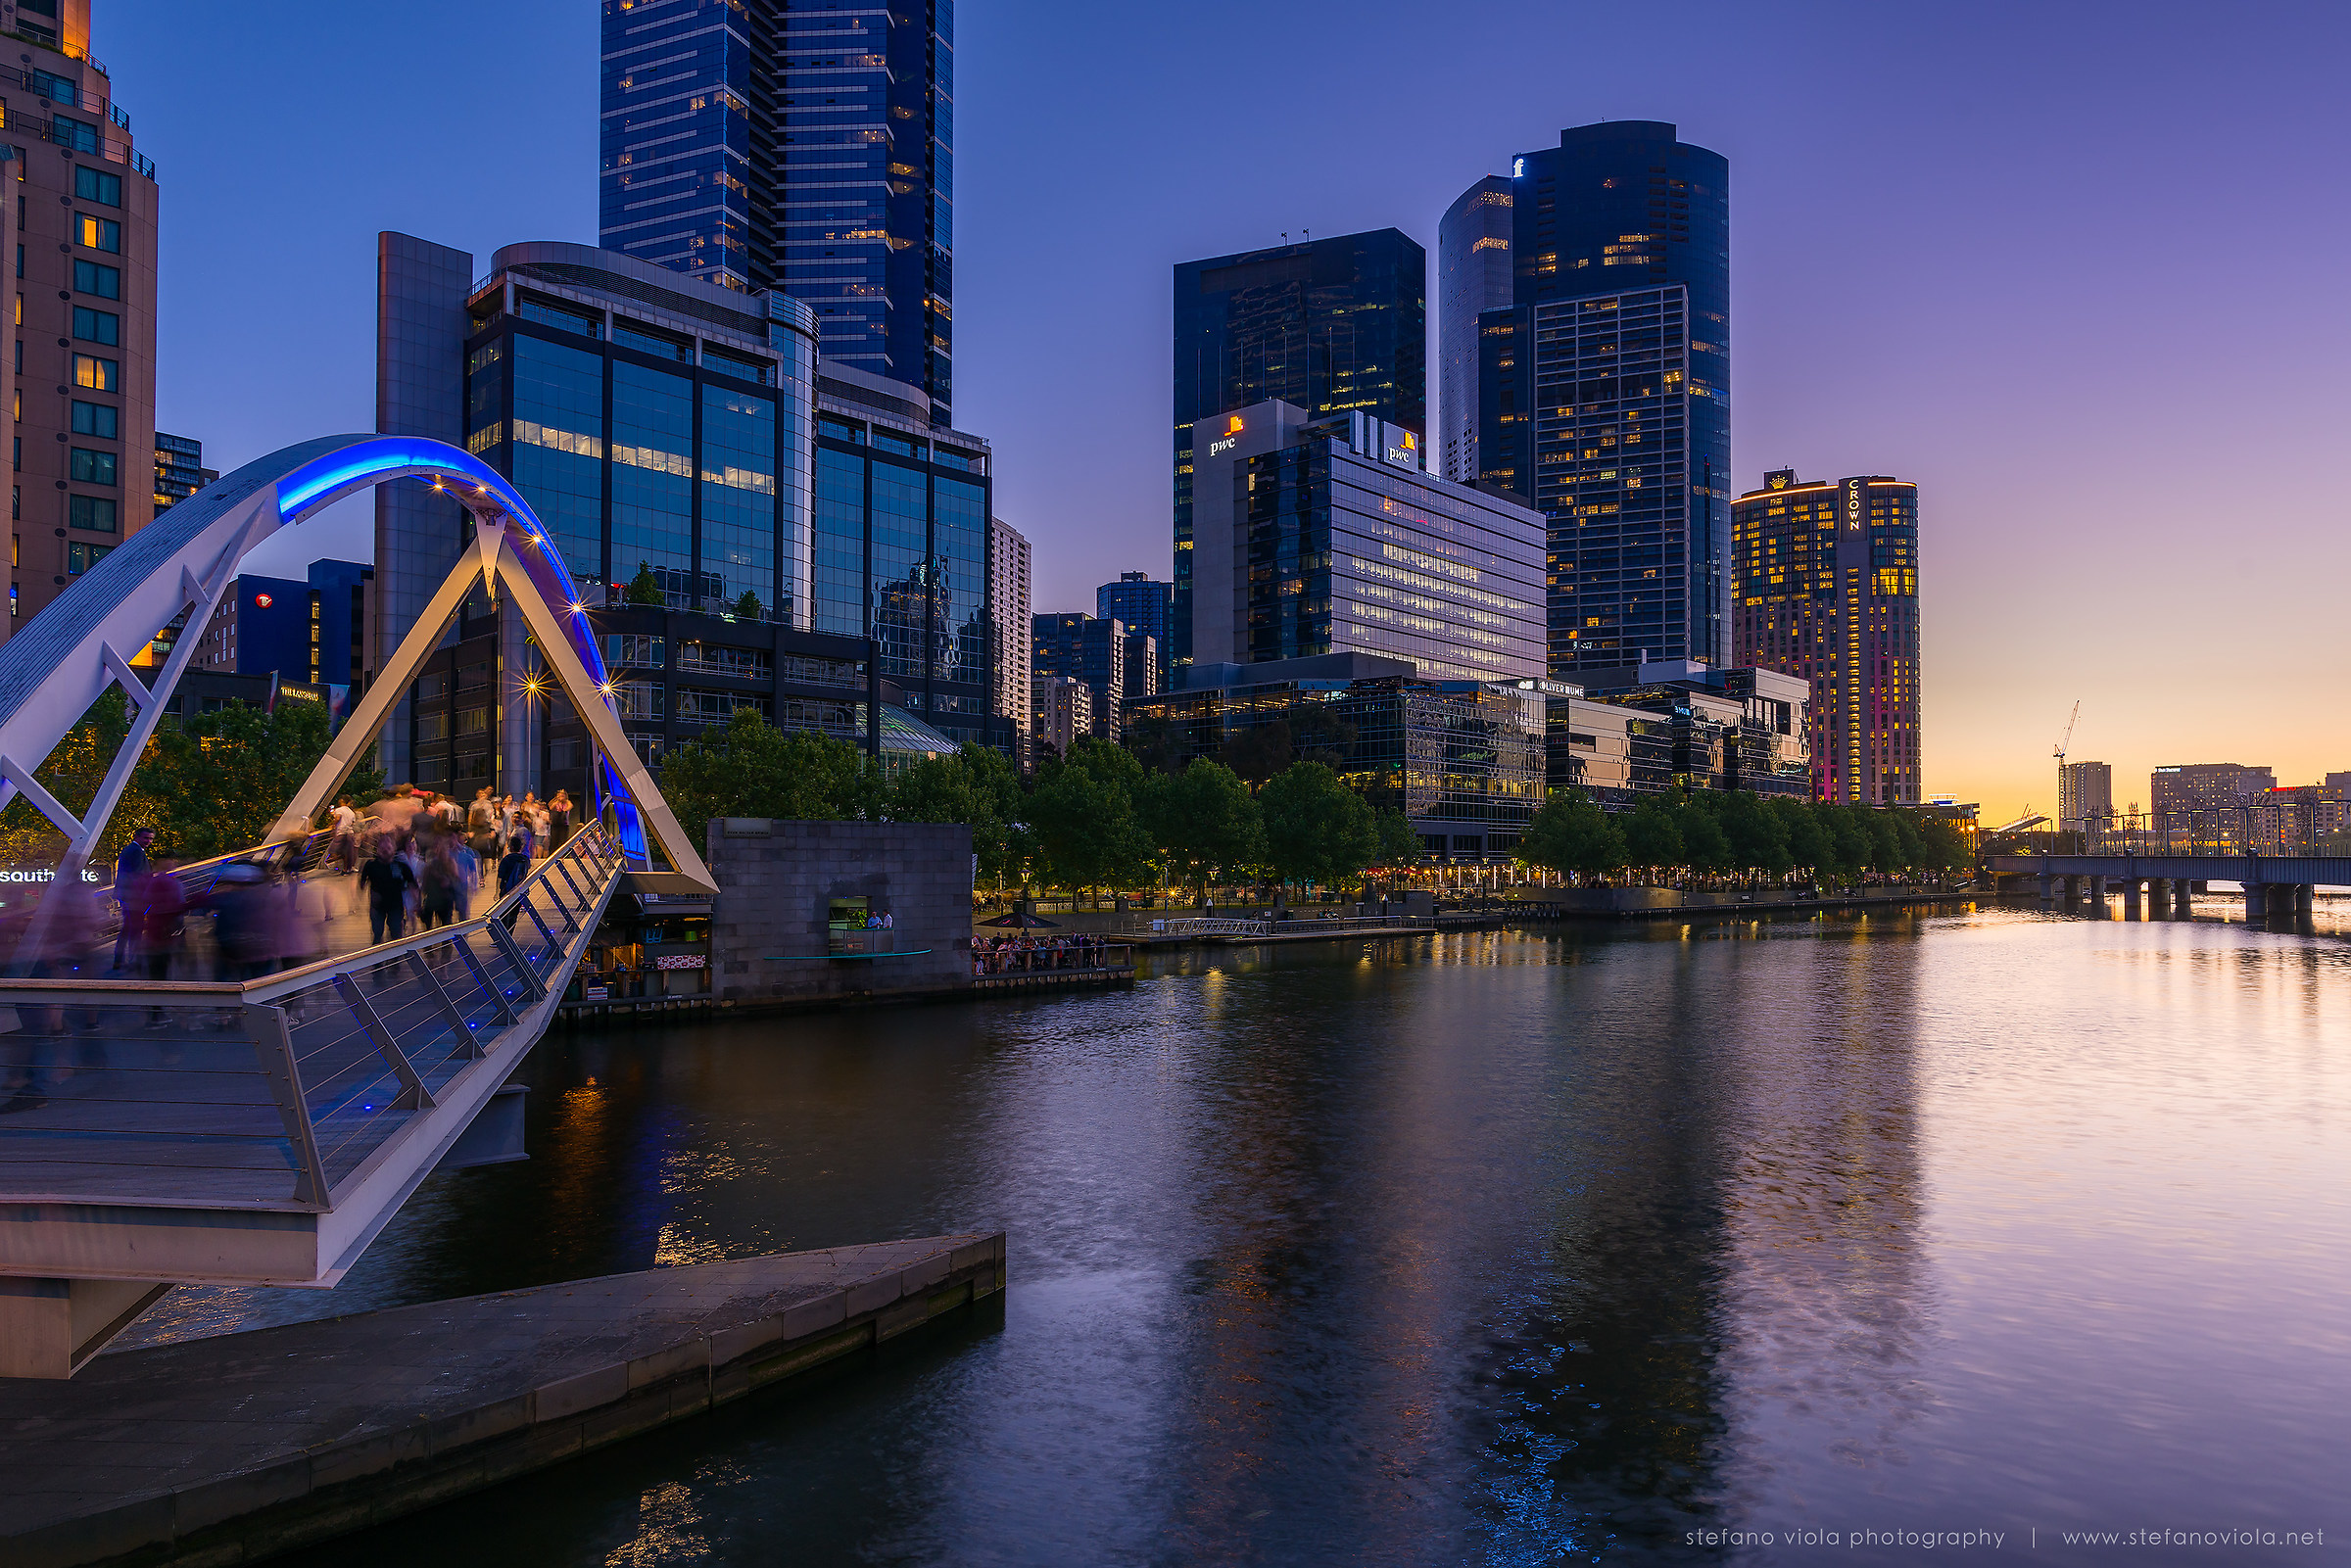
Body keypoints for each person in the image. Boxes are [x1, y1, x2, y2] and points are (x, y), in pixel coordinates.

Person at [111, 828, 155, 971]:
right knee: (135, 929)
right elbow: (138, 875)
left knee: (128, 928)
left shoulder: (131, 850)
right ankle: (133, 960)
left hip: (129, 896)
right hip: (135, 897)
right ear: (136, 837)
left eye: (150, 838)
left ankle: (120, 959)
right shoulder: (135, 851)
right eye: (146, 838)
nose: (148, 841)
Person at [358, 841, 415, 945]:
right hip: (377, 906)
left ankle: (395, 957)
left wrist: (416, 903)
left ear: (393, 850)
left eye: (388, 848)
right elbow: (362, 882)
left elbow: (412, 883)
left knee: (396, 933)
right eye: (382, 848)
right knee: (377, 933)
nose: (385, 851)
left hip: (395, 905)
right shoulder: (371, 865)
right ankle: (379, 957)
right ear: (378, 850)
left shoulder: (400, 866)